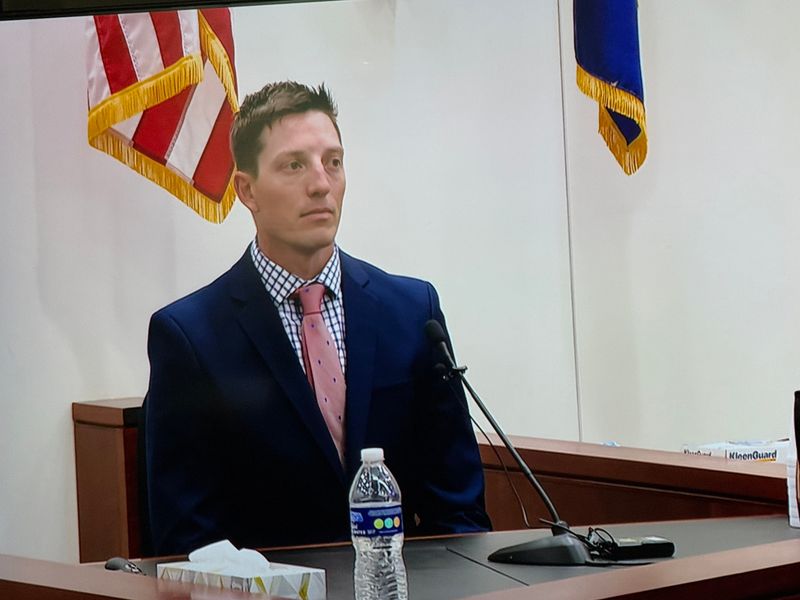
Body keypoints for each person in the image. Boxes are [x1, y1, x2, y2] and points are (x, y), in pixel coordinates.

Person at [144, 81, 491, 555]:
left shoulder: (412, 312)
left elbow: (459, 509)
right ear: (247, 190)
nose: (321, 184)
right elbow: (188, 538)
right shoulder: (191, 337)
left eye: (333, 162)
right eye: (294, 165)